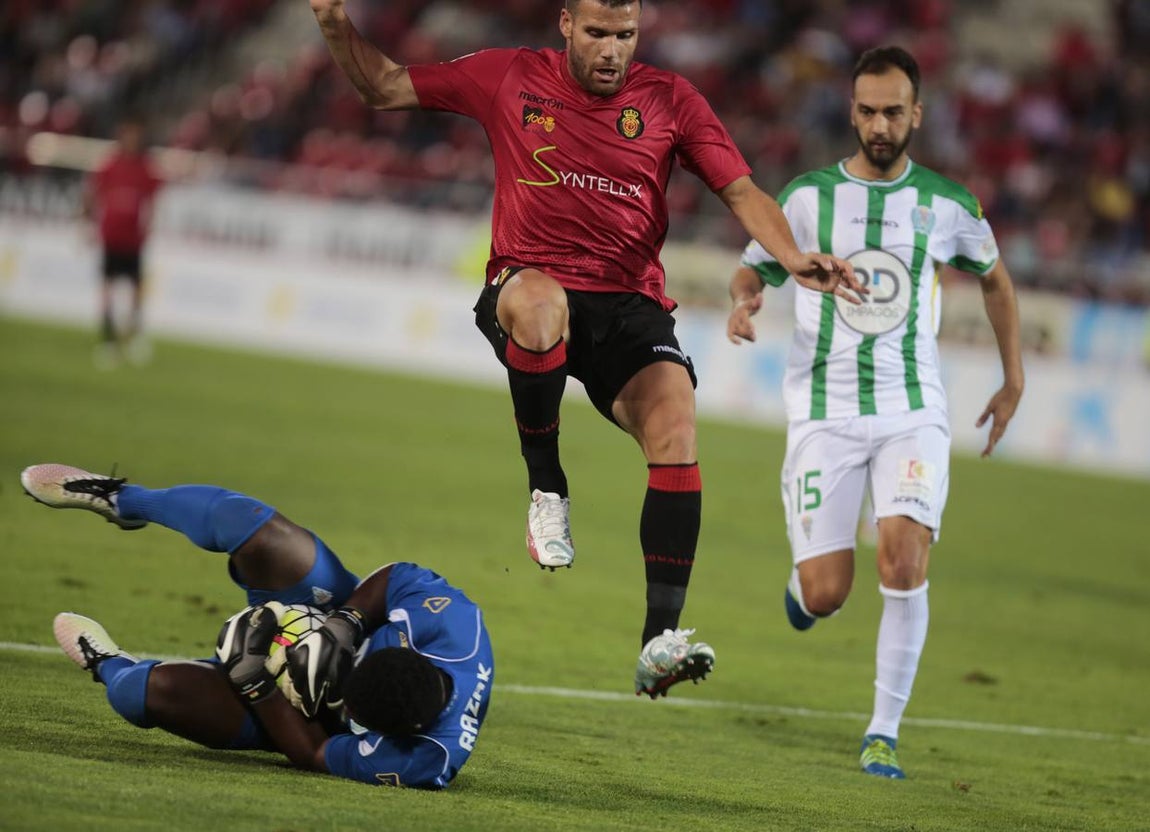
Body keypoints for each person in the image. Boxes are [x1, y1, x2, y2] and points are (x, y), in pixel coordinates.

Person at [307, 0, 862, 698]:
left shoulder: (669, 101)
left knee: (677, 423)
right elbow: (384, 86)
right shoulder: (509, 76)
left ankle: (659, 639)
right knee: (541, 309)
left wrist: (792, 255)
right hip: (529, 281)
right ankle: (547, 487)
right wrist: (334, 22)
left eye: (625, 36)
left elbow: (740, 188)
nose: (611, 50)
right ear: (566, 23)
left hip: (628, 304)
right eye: (598, 33)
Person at [727, 46, 1024, 779]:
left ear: (916, 114)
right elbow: (751, 264)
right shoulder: (805, 199)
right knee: (828, 593)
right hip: (824, 412)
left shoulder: (949, 205)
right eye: (867, 110)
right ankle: (806, 586)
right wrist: (744, 298)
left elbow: (996, 283)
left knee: (903, 557)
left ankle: (882, 733)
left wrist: (1012, 378)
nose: (880, 124)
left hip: (911, 410)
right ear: (851, 111)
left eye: (894, 111)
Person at [20, 463, 493, 789]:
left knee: (140, 693)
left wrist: (255, 682)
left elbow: (312, 754)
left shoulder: (423, 758)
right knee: (251, 528)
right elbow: (397, 576)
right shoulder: (454, 626)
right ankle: (122, 499)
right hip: (336, 619)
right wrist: (347, 625)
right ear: (407, 653)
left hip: (307, 719)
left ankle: (106, 662)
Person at [84, 119, 162, 368]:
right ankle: (108, 338)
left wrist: (150, 225)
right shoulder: (110, 165)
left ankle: (134, 335)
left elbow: (153, 201)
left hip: (134, 238)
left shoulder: (145, 167)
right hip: (111, 235)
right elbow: (92, 193)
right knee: (108, 288)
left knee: (136, 289)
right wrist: (87, 225)